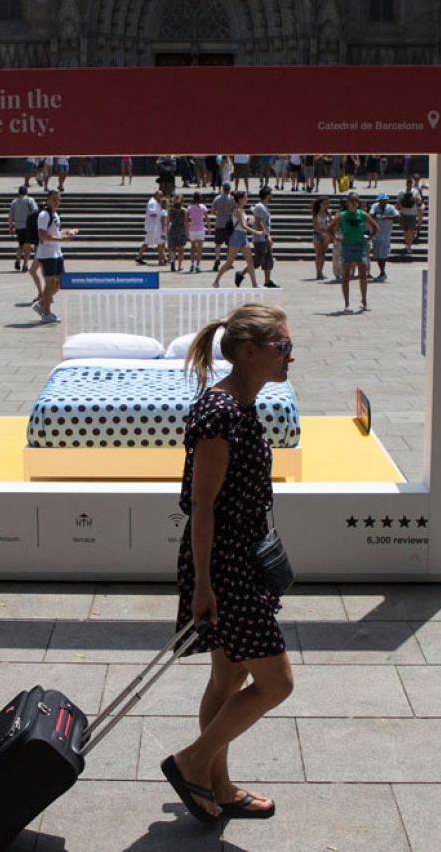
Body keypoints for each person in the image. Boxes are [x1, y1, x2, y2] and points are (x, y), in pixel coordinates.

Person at [163, 302, 295, 823]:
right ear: (249, 351)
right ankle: (191, 763)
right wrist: (203, 585)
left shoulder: (239, 403)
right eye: (282, 346)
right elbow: (201, 505)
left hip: (241, 561)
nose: (291, 356)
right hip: (225, 568)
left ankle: (216, 785)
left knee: (228, 676)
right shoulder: (219, 413)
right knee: (276, 683)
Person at [33, 189, 76, 324]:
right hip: (47, 254)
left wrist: (67, 232)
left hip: (56, 253)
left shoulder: (55, 214)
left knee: (61, 282)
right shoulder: (44, 215)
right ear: (48, 200)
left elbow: (54, 232)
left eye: (58, 200)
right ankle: (46, 313)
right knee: (50, 283)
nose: (56, 202)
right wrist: (62, 240)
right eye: (54, 199)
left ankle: (42, 303)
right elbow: (42, 235)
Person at [330, 192, 377, 313]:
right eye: (352, 200)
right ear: (347, 202)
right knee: (346, 276)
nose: (354, 203)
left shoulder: (363, 214)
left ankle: (364, 300)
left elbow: (376, 227)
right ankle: (347, 303)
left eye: (356, 200)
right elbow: (329, 229)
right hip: (347, 247)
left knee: (363, 275)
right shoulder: (342, 215)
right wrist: (338, 239)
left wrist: (369, 237)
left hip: (360, 246)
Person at [211, 191, 259, 289]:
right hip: (236, 236)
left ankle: (255, 284)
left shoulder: (242, 210)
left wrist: (250, 221)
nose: (247, 199)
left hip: (243, 236)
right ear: (241, 199)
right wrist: (256, 232)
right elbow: (242, 225)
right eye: (246, 197)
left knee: (250, 261)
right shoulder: (237, 210)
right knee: (229, 262)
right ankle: (216, 281)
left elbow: (244, 223)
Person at [10, 185, 42, 301]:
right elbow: (35, 212)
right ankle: (25, 265)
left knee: (21, 244)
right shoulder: (30, 200)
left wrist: (11, 225)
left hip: (18, 226)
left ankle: (18, 260)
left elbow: (11, 214)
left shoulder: (14, 201)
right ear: (26, 192)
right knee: (28, 247)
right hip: (28, 226)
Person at [251, 187, 278, 288]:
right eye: (271, 194)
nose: (272, 196)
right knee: (258, 261)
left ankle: (267, 281)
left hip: (265, 238)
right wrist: (266, 236)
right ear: (267, 195)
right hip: (260, 239)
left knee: (268, 260)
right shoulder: (259, 207)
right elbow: (258, 222)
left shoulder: (264, 206)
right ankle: (241, 274)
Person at [369, 193, 397, 282]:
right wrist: (376, 215)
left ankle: (382, 272)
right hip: (376, 234)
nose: (383, 202)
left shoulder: (391, 208)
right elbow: (371, 214)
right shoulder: (375, 206)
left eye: (384, 200)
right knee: (377, 255)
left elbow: (397, 216)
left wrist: (385, 217)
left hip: (385, 234)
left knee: (383, 254)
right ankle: (382, 272)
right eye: (381, 201)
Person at [137, 191, 167, 266]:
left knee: (159, 242)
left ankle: (165, 258)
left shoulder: (155, 202)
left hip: (155, 226)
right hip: (152, 227)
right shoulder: (152, 203)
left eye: (162, 196)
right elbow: (151, 214)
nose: (161, 197)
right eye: (160, 196)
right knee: (150, 242)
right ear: (156, 195)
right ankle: (139, 256)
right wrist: (161, 213)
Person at [396, 180, 422, 255]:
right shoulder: (401, 192)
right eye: (408, 184)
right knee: (405, 231)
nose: (409, 186)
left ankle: (409, 246)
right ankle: (407, 244)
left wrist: (417, 200)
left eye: (410, 184)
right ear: (406, 184)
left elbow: (419, 201)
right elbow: (398, 203)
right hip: (403, 213)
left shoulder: (415, 191)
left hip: (412, 214)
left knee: (410, 231)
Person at [310, 197, 333, 281]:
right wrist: (321, 233)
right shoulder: (315, 213)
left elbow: (330, 223)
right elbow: (315, 226)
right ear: (320, 204)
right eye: (325, 203)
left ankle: (321, 271)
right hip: (317, 234)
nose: (326, 205)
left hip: (326, 234)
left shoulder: (328, 213)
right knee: (318, 253)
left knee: (323, 254)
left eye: (327, 203)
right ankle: (318, 272)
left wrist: (328, 233)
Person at [186, 193, 208, 274]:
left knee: (192, 248)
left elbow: (186, 219)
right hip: (200, 229)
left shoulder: (190, 207)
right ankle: (198, 265)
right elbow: (207, 217)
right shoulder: (203, 207)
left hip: (192, 229)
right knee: (199, 249)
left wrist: (186, 229)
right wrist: (209, 227)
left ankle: (192, 264)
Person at [167, 194, 188, 273]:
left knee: (172, 248)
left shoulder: (170, 210)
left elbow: (168, 221)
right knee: (181, 249)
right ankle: (179, 266)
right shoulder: (184, 210)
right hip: (181, 229)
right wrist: (187, 232)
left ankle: (172, 261)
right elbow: (186, 222)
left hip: (173, 229)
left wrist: (166, 230)